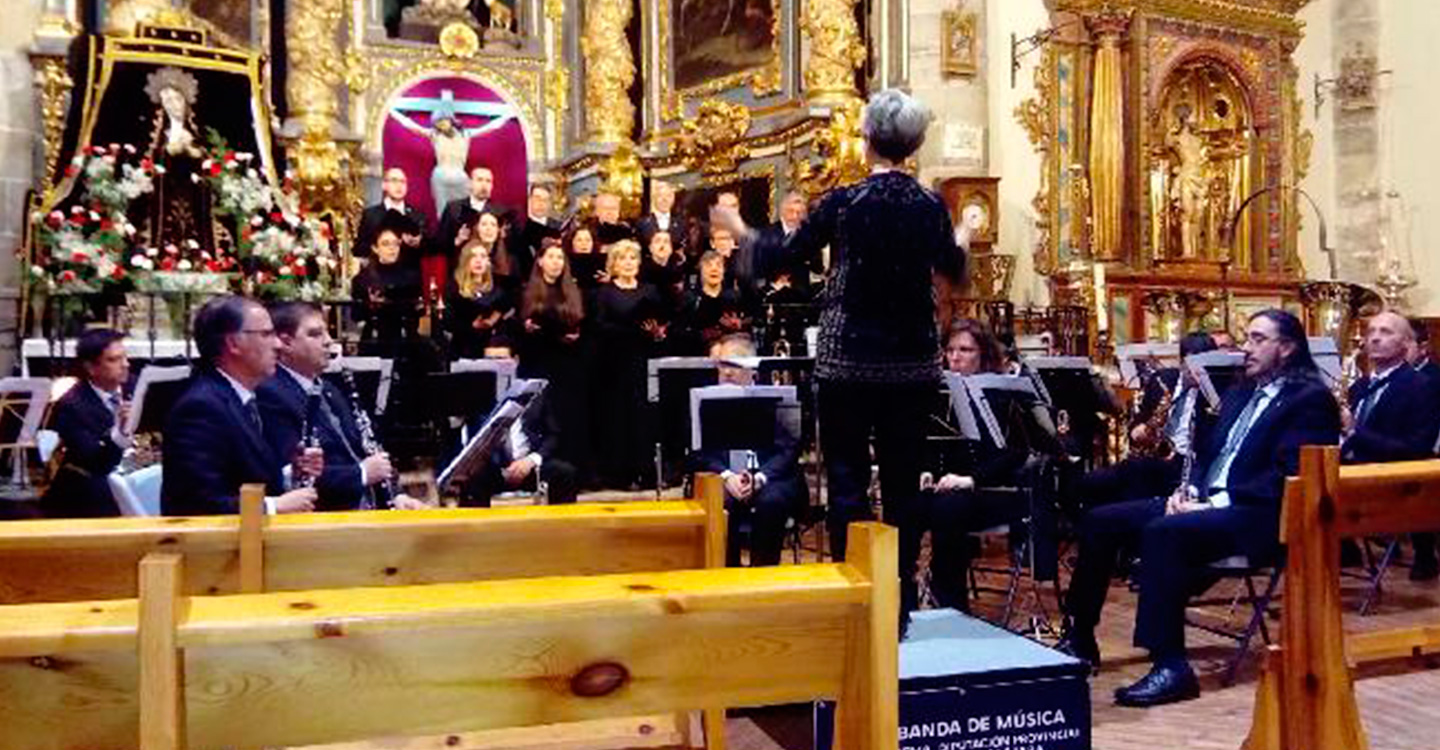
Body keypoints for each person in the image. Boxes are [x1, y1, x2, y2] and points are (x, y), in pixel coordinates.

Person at [712, 89, 966, 628]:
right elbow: (953, 266)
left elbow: (780, 254)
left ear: (868, 139)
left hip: (847, 361)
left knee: (847, 484)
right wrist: (962, 235)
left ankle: (854, 601)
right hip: (914, 364)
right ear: (913, 144)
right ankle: (898, 605)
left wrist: (738, 232)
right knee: (903, 485)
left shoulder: (844, 202)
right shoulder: (929, 206)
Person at [1060, 309, 1340, 707]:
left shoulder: (1310, 401)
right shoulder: (1241, 391)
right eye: (1248, 338)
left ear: (1288, 347)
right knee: (1101, 520)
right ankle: (1080, 635)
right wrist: (1187, 490)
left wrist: (1211, 503)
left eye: (1259, 339)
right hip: (1209, 502)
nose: (1247, 348)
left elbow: (1288, 475)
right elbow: (1208, 455)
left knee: (1163, 533)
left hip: (1261, 514)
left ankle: (1171, 665)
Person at [257, 302, 428, 511]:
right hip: (325, 520)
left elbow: (366, 453)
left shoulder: (329, 389)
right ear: (286, 343)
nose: (328, 342)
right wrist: (362, 474)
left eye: (327, 333)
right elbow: (293, 475)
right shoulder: (270, 394)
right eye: (315, 334)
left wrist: (396, 495)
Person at [162, 296, 320, 516]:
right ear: (233, 343)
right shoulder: (201, 408)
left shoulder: (242, 397)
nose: (277, 345)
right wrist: (274, 506)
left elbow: (243, 476)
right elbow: (198, 505)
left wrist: (289, 474)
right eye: (266, 334)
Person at [922, 319, 1034, 611]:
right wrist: (927, 471)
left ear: (983, 354)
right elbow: (933, 444)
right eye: (950, 350)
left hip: (999, 489)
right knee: (906, 504)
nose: (955, 357)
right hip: (952, 488)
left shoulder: (1003, 392)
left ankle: (950, 604)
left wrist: (970, 479)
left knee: (949, 509)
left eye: (965, 350)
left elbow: (1016, 453)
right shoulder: (939, 392)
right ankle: (906, 599)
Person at [688, 334, 807, 566]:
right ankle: (727, 574)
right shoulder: (703, 400)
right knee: (720, 501)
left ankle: (763, 574)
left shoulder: (776, 399)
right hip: (722, 477)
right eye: (723, 365)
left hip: (770, 477)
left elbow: (789, 449)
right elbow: (698, 453)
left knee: (772, 501)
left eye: (734, 365)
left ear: (753, 370)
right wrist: (727, 476)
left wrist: (760, 478)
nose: (727, 372)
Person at [1069, 331, 1219, 511]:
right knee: (1089, 483)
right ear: (1182, 361)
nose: (1196, 372)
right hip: (1153, 455)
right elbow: (1139, 422)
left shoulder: (1214, 391)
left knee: (1136, 475)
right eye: (1190, 364)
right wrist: (1138, 430)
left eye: (1202, 365)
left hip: (1185, 463)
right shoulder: (1162, 380)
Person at [1343, 311, 1440, 580]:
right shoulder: (1360, 386)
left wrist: (1354, 431)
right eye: (1371, 331)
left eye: (1386, 332)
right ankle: (1340, 547)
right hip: (1352, 469)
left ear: (1406, 344)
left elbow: (1416, 448)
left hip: (1391, 477)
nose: (1374, 338)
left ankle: (1423, 553)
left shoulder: (1421, 387)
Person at [592, 240, 668, 489]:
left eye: (632, 258)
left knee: (643, 417)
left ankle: (645, 472)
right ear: (613, 264)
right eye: (622, 259)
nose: (627, 263)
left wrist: (655, 331)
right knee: (618, 417)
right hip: (614, 363)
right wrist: (631, 328)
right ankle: (619, 474)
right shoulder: (604, 292)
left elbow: (659, 324)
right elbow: (600, 326)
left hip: (643, 361)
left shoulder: (650, 291)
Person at [41, 329, 131, 518]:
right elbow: (96, 463)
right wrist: (120, 433)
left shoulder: (137, 387)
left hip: (135, 477)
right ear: (91, 368)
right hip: (91, 492)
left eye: (125, 357)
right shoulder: (71, 406)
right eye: (114, 360)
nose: (126, 365)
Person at [458, 387, 579, 507]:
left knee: (564, 472)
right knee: (472, 479)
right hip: (493, 467)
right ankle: (475, 525)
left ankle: (562, 524)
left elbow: (553, 435)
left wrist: (531, 461)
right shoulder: (481, 397)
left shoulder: (536, 393)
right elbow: (470, 438)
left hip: (529, 466)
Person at [434, 166, 513, 287]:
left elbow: (512, 250)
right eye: (480, 180)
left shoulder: (501, 212)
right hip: (459, 277)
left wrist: (502, 237)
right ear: (470, 184)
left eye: (488, 181)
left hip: (491, 277)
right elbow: (438, 245)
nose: (484, 185)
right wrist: (457, 241)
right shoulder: (453, 209)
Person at [351, 227, 423, 357]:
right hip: (374, 341)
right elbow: (355, 315)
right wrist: (371, 306)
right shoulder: (363, 279)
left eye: (396, 244)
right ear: (375, 248)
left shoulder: (411, 277)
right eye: (385, 244)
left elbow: (417, 313)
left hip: (405, 343)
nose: (392, 248)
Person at [446, 240, 513, 359]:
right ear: (465, 261)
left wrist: (492, 320)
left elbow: (505, 309)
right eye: (473, 256)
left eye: (482, 256)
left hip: (492, 350)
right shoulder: (454, 290)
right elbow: (449, 323)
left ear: (488, 261)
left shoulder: (497, 290)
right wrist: (471, 326)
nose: (478, 261)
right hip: (463, 350)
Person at [677, 250, 748, 354]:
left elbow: (751, 321)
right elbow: (678, 331)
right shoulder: (691, 299)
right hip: (698, 354)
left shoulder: (734, 297)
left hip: (733, 351)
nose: (714, 269)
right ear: (701, 270)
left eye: (719, 265)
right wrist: (701, 335)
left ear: (724, 271)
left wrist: (739, 324)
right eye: (708, 265)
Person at [355, 168, 427, 264]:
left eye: (402, 182)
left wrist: (417, 242)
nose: (399, 186)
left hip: (409, 275)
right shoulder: (370, 215)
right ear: (384, 185)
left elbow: (428, 249)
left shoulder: (418, 217)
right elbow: (360, 250)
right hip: (379, 273)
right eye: (394, 180)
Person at [512, 184, 562, 283]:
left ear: (549, 203)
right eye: (537, 198)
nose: (541, 203)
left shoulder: (559, 227)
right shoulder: (519, 228)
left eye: (545, 200)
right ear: (530, 201)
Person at [636, 180, 684, 255]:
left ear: (673, 199)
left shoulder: (681, 223)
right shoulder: (642, 223)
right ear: (654, 199)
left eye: (668, 196)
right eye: (660, 196)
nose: (664, 199)